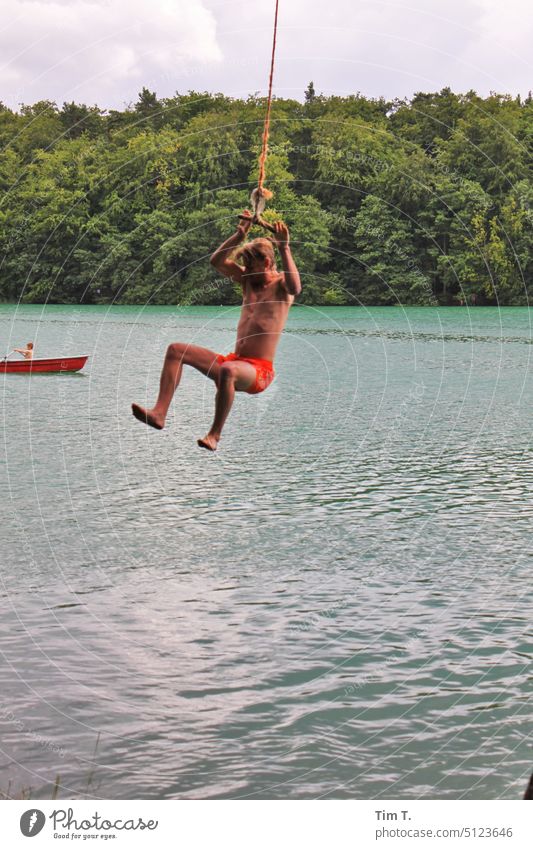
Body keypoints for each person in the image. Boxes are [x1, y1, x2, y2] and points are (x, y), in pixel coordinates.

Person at [132, 211, 302, 451]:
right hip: (235, 362)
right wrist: (239, 234)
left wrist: (285, 248)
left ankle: (215, 435)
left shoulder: (282, 285)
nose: (245, 270)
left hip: (259, 372)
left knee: (227, 371)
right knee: (176, 351)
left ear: (265, 262)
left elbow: (297, 287)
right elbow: (217, 262)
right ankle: (159, 413)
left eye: (250, 265)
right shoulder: (246, 280)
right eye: (244, 265)